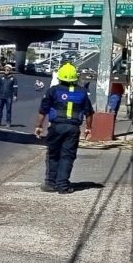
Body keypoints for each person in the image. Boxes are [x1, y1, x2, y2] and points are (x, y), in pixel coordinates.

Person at [34, 62, 94, 194]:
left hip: (56, 127)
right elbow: (89, 113)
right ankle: (63, 186)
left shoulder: (53, 91)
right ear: (75, 78)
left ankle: (50, 183)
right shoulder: (82, 92)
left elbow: (43, 110)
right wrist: (88, 128)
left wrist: (39, 126)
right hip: (73, 128)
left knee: (53, 154)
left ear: (60, 77)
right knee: (68, 156)